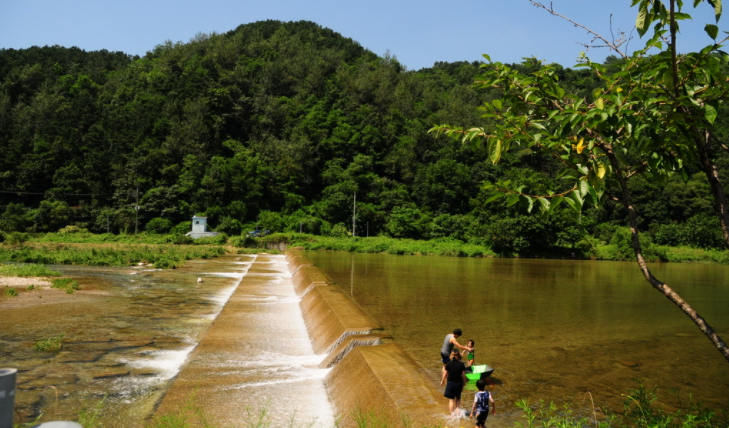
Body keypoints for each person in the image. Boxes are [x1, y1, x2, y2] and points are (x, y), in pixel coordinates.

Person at [440, 349, 467, 416]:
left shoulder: (448, 364)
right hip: (458, 383)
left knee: (451, 400)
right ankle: (458, 412)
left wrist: (442, 381)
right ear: (458, 356)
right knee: (458, 398)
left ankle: (452, 415)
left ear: (451, 356)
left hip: (450, 383)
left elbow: (445, 374)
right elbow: (463, 375)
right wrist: (464, 382)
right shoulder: (461, 364)